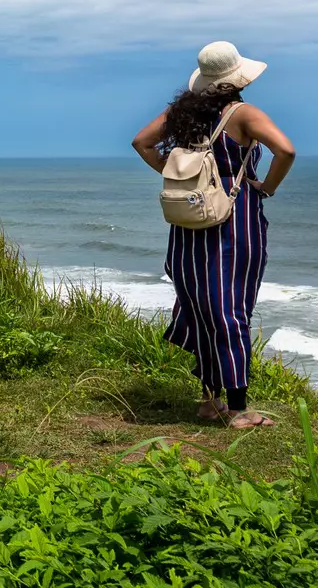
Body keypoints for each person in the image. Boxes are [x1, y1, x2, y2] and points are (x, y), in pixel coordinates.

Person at [130, 40, 297, 427]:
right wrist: (267, 186)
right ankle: (238, 409)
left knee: (204, 307)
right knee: (231, 309)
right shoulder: (244, 114)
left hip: (189, 221)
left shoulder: (181, 113)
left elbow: (142, 142)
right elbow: (285, 151)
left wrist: (179, 179)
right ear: (238, 78)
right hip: (233, 219)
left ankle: (209, 402)